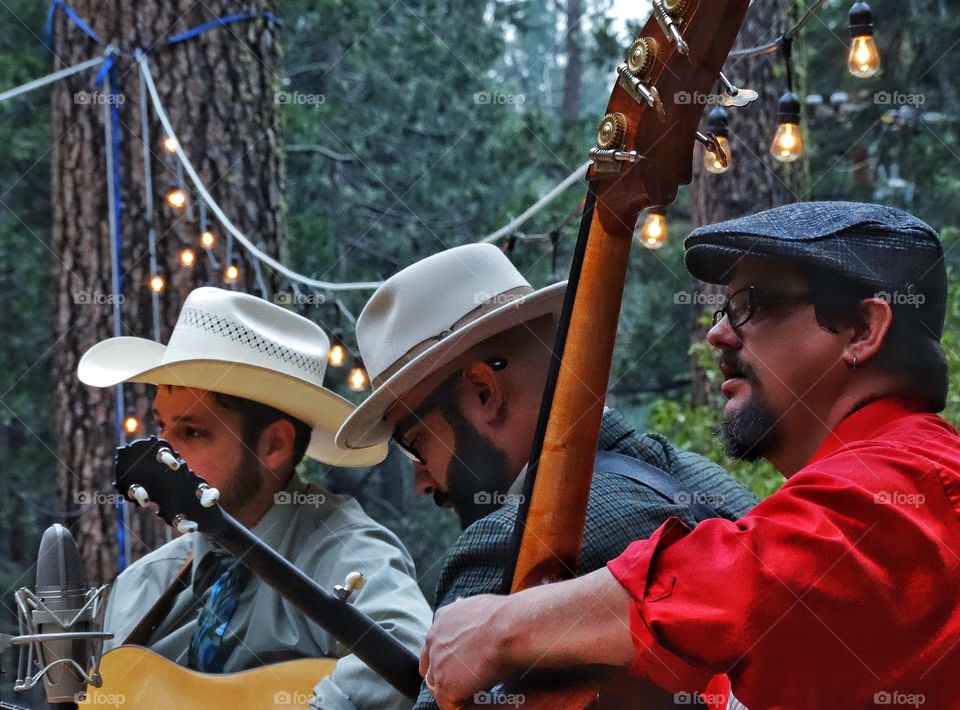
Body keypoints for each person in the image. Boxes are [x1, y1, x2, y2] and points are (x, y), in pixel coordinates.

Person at [418, 202, 960, 709]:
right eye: (725, 309)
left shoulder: (911, 479)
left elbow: (748, 580)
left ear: (863, 329)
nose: (718, 334)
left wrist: (501, 626)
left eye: (753, 306)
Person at [335, 243, 759, 708]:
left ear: (484, 391)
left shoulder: (505, 546)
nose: (421, 481)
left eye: (415, 444)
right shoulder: (706, 480)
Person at [78, 286, 432, 710]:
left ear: (273, 447)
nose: (162, 451)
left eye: (192, 432)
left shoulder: (344, 549)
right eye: (161, 425)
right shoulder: (140, 588)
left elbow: (412, 663)